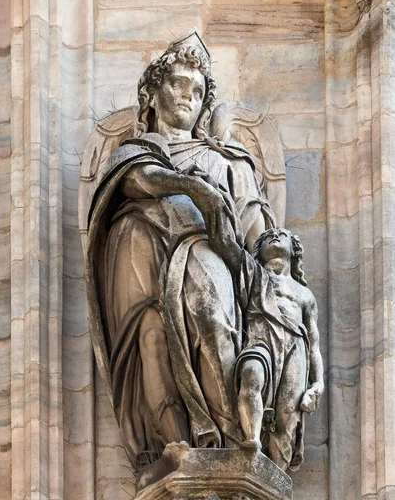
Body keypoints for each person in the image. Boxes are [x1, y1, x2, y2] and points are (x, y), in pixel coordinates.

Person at [85, 30, 275, 473]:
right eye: (178, 84)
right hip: (140, 266)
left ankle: (232, 441)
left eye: (198, 89)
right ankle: (173, 446)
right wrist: (189, 187)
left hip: (207, 256)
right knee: (150, 341)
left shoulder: (230, 162)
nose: (188, 96)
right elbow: (136, 179)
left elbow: (259, 243)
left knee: (213, 320)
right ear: (152, 92)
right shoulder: (133, 154)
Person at [210, 225, 324, 471]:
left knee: (286, 420)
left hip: (295, 348)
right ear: (259, 250)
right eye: (268, 235)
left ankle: (274, 478)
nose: (274, 236)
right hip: (259, 340)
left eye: (281, 235)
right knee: (251, 375)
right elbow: (225, 243)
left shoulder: (305, 295)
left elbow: (314, 345)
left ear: (293, 250)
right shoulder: (252, 275)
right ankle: (251, 443)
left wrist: (318, 384)